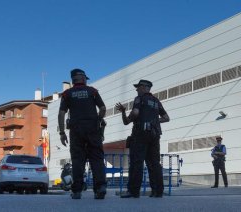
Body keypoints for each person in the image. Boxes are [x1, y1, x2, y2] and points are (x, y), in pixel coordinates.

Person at [115, 79, 170, 198]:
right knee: (154, 163)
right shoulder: (156, 101)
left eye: (138, 87)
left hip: (140, 134)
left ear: (145, 88)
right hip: (155, 135)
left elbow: (134, 114)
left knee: (136, 163)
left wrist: (126, 114)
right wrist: (154, 122)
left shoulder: (139, 99)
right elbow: (166, 118)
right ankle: (157, 191)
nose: (136, 89)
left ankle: (133, 191)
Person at [58, 69, 107, 200]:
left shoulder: (67, 94)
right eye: (85, 77)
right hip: (93, 129)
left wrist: (62, 133)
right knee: (96, 159)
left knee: (78, 160)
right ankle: (100, 188)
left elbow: (61, 113)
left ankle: (77, 191)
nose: (86, 79)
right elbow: (102, 108)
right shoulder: (92, 91)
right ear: (81, 78)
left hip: (76, 130)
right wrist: (99, 119)